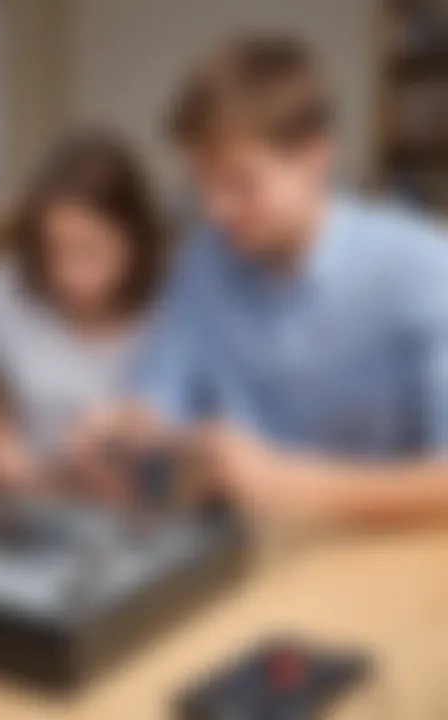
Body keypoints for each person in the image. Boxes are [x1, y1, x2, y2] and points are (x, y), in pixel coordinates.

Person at [81, 35, 448, 528]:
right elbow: (161, 396)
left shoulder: (422, 267)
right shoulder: (201, 263)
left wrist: (280, 482)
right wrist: (122, 430)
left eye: (240, 183)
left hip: (380, 555)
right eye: (201, 184)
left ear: (315, 156)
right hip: (235, 552)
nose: (216, 209)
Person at [0, 130, 163, 490]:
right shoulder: (2, 290)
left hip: (135, 507)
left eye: (91, 251)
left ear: (135, 239)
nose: (70, 276)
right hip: (27, 503)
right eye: (54, 250)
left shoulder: (171, 308)